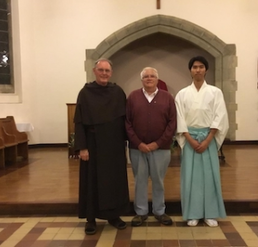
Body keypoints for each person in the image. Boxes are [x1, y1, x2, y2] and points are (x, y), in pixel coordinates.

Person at [74, 58, 130, 235]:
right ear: (94, 71)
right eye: (101, 70)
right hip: (93, 145)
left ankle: (114, 216)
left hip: (114, 145)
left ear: (111, 73)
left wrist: (130, 142)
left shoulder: (118, 92)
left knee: (114, 181)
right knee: (92, 181)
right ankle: (91, 219)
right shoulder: (85, 92)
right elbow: (79, 122)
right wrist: (82, 147)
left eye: (107, 71)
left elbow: (125, 120)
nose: (104, 73)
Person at [175, 56, 229, 227]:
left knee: (210, 176)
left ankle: (210, 213)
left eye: (201, 67)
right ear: (190, 70)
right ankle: (193, 213)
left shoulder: (215, 92)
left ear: (206, 70)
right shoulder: (182, 94)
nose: (198, 70)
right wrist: (189, 139)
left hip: (208, 138)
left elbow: (220, 116)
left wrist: (208, 139)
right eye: (194, 67)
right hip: (190, 139)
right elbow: (179, 118)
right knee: (191, 177)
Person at [126, 67, 177, 226]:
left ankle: (159, 211)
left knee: (158, 181)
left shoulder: (167, 97)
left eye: (152, 76)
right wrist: (138, 143)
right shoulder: (133, 97)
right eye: (146, 76)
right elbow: (127, 123)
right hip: (137, 149)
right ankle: (140, 212)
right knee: (139, 180)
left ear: (157, 79)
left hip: (161, 149)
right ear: (142, 80)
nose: (149, 78)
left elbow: (172, 123)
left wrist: (158, 143)